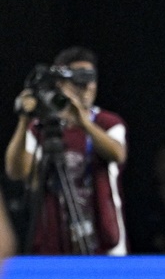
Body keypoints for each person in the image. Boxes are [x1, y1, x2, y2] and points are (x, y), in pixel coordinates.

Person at [5, 47, 128, 255]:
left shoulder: (108, 123)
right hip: (53, 239)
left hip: (103, 238)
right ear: (61, 84)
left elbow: (117, 154)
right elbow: (17, 171)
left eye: (91, 79)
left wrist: (83, 122)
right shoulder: (39, 128)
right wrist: (25, 118)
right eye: (79, 80)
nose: (87, 86)